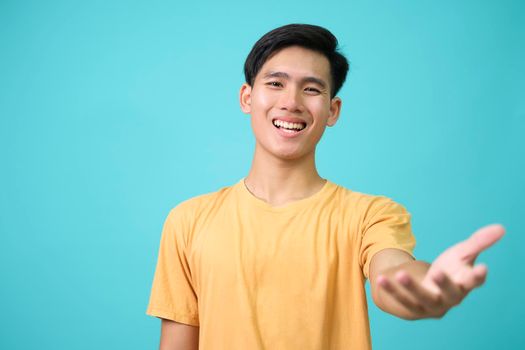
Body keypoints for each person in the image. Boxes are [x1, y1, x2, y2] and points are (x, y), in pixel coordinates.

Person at [146, 23, 505, 350]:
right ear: (247, 97)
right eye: (275, 83)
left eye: (311, 89)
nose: (291, 102)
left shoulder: (370, 215)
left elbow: (393, 272)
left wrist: (423, 286)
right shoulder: (188, 221)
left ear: (332, 110)